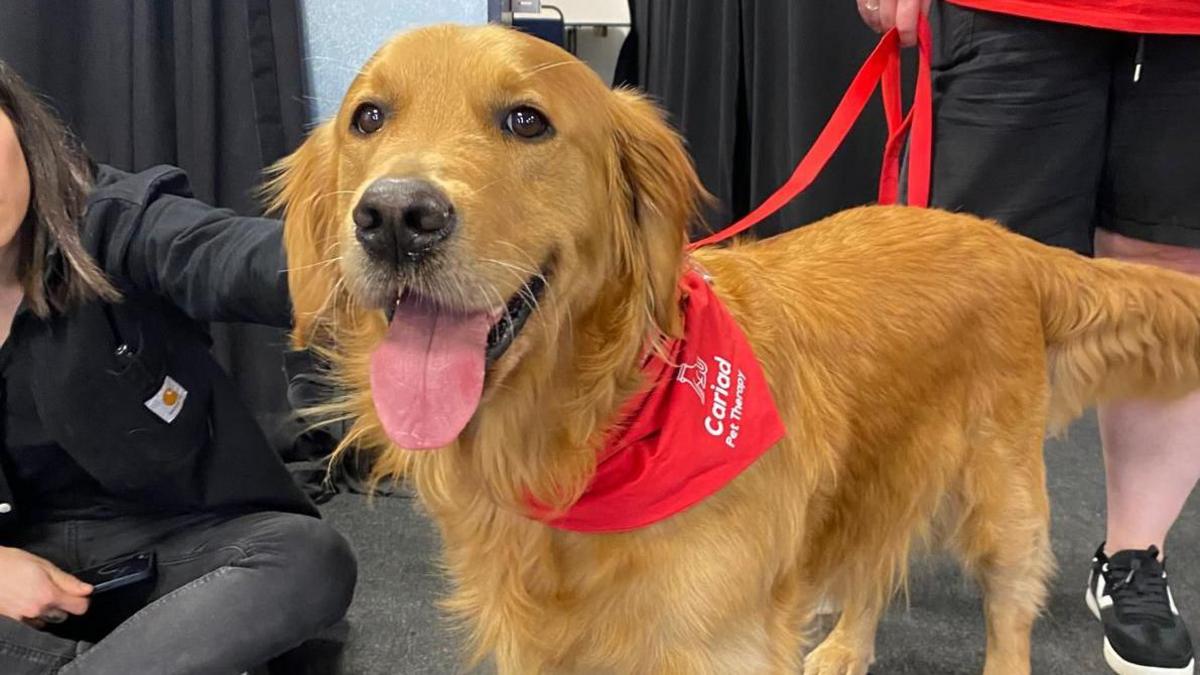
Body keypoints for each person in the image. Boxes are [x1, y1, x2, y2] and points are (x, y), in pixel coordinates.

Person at [859, 1, 1199, 673]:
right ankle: (863, 580)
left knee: (1169, 274)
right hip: (1011, 11)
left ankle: (1133, 560)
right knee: (957, 288)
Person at [0, 61, 357, 674]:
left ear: (15, 117)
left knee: (307, 558)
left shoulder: (115, 220)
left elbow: (229, 256)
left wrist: (369, 264)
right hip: (18, 573)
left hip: (176, 551)